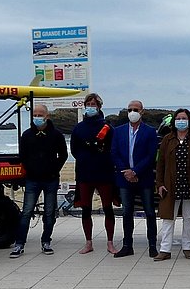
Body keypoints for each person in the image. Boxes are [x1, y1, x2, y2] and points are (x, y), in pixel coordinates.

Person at [10, 103, 68, 258]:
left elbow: (63, 155)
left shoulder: (56, 135)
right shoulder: (27, 135)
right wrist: (31, 169)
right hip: (32, 179)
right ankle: (19, 244)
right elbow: (22, 156)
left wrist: (54, 169)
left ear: (47, 116)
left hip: (51, 179)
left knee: (49, 212)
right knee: (27, 211)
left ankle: (46, 241)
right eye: (35, 114)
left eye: (40, 114)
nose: (37, 117)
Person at [154, 108, 190, 261]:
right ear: (174, 121)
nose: (181, 121)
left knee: (189, 217)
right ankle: (165, 249)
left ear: (189, 121)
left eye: (184, 118)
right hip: (170, 185)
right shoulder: (167, 139)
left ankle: (187, 247)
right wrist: (159, 183)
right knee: (167, 218)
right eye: (178, 118)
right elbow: (160, 164)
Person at [111, 99, 160, 258]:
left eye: (136, 109)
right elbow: (114, 153)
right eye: (130, 109)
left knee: (150, 212)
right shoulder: (118, 131)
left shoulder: (150, 131)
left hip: (143, 178)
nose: (133, 112)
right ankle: (127, 245)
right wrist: (126, 172)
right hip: (124, 178)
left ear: (142, 112)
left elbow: (151, 155)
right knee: (126, 212)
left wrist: (135, 171)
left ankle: (152, 245)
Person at [70, 93, 117, 254]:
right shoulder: (78, 127)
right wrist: (85, 158)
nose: (90, 106)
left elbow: (113, 148)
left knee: (107, 208)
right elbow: (74, 150)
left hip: (104, 172)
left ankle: (110, 242)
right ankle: (88, 242)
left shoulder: (108, 127)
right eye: (88, 104)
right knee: (85, 209)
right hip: (84, 173)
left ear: (99, 106)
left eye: (93, 104)